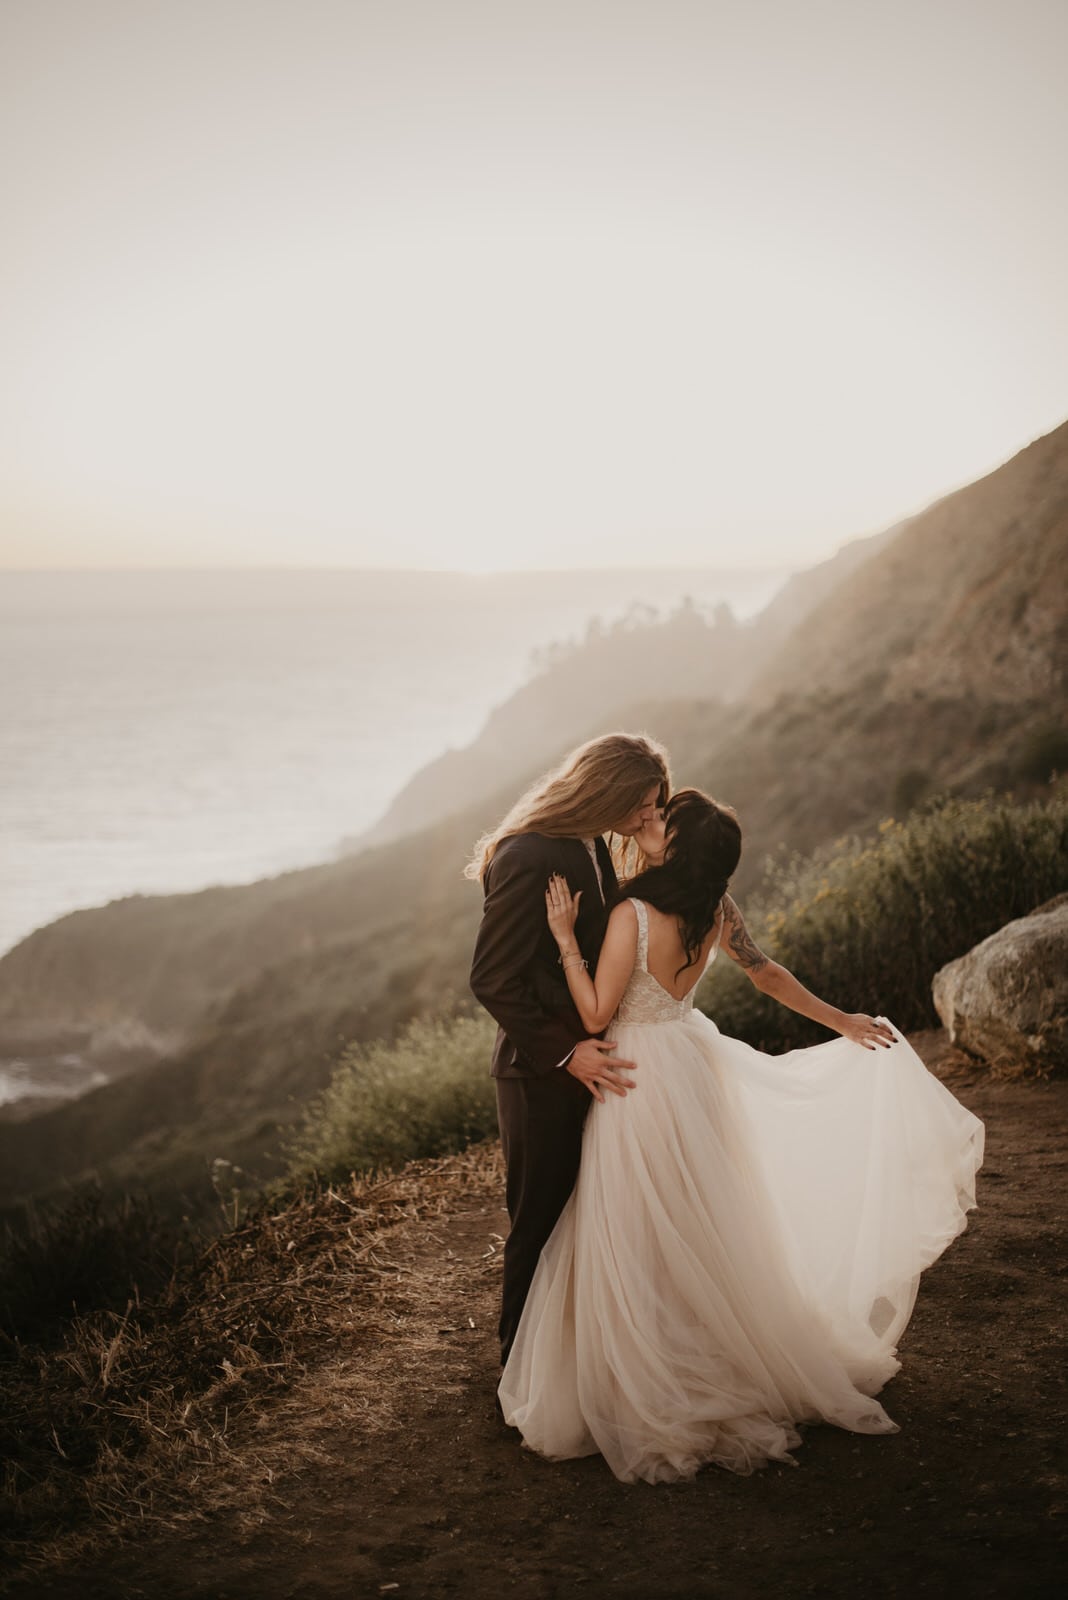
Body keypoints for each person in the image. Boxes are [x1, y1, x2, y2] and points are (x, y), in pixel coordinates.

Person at [497, 788, 985, 1483]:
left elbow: (598, 1009)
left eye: (662, 820)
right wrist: (841, 1019)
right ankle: (712, 1348)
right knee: (701, 1221)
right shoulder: (716, 909)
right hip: (692, 1073)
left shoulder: (632, 914)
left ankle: (659, 1369)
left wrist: (567, 942)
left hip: (637, 1080)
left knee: (636, 1225)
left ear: (677, 847)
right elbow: (765, 972)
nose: (652, 823)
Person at [467, 731, 670, 1366]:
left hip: (593, 1062)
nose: (647, 817)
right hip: (539, 1074)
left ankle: (571, 1369)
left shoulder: (592, 843)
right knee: (540, 1225)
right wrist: (567, 1053)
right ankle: (517, 1378)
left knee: (587, 1221)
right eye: (641, 804)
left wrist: (653, 852)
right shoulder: (529, 854)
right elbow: (492, 978)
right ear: (604, 790)